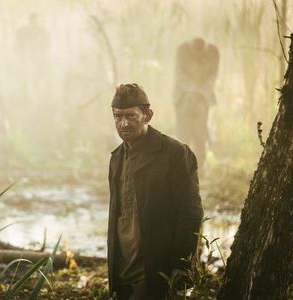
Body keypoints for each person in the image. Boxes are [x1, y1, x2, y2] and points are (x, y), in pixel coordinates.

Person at [108, 83, 203, 299]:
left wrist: (182, 262)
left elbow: (191, 212)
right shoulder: (116, 158)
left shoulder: (175, 154)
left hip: (154, 267)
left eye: (131, 116)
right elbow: (119, 215)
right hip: (122, 270)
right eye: (118, 116)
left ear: (147, 115)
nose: (123, 123)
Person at [174, 37, 219, 168]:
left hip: (203, 100)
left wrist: (199, 94)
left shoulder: (213, 52)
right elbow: (179, 74)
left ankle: (200, 168)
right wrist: (190, 92)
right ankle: (181, 168)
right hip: (183, 98)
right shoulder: (182, 50)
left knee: (201, 134)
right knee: (183, 135)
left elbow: (212, 77)